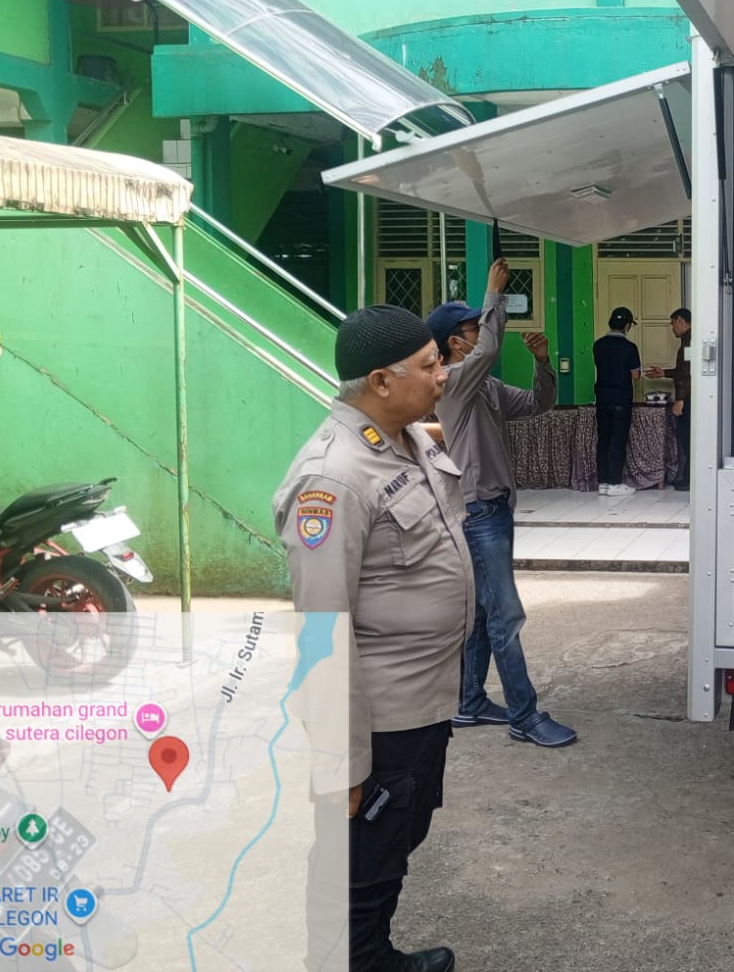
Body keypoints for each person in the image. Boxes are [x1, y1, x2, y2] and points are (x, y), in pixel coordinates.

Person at [275, 305, 473, 972]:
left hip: (422, 701)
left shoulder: (404, 438)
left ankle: (368, 954)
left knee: (394, 838)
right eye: (429, 365)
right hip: (380, 716)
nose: (443, 374)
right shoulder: (332, 478)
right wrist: (342, 761)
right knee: (360, 853)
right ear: (382, 381)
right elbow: (322, 630)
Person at [425, 261, 576, 749]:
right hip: (479, 512)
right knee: (505, 615)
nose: (481, 334)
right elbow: (489, 349)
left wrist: (543, 363)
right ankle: (523, 716)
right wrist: (494, 294)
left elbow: (537, 404)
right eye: (473, 328)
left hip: (493, 508)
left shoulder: (484, 387)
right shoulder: (452, 381)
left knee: (484, 611)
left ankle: (469, 702)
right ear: (455, 343)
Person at [592, 307, 641, 496]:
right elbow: (636, 376)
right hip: (621, 399)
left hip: (602, 398)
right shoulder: (630, 348)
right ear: (627, 325)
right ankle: (615, 483)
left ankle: (603, 482)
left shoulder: (598, 345)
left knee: (603, 440)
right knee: (618, 441)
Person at [644, 308, 692, 491]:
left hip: (687, 398)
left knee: (687, 438)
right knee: (687, 438)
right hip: (688, 396)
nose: (673, 328)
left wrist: (680, 399)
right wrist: (664, 373)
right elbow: (682, 372)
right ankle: (687, 476)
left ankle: (688, 478)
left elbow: (687, 375)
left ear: (680, 320)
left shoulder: (689, 343)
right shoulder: (688, 340)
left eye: (673, 324)